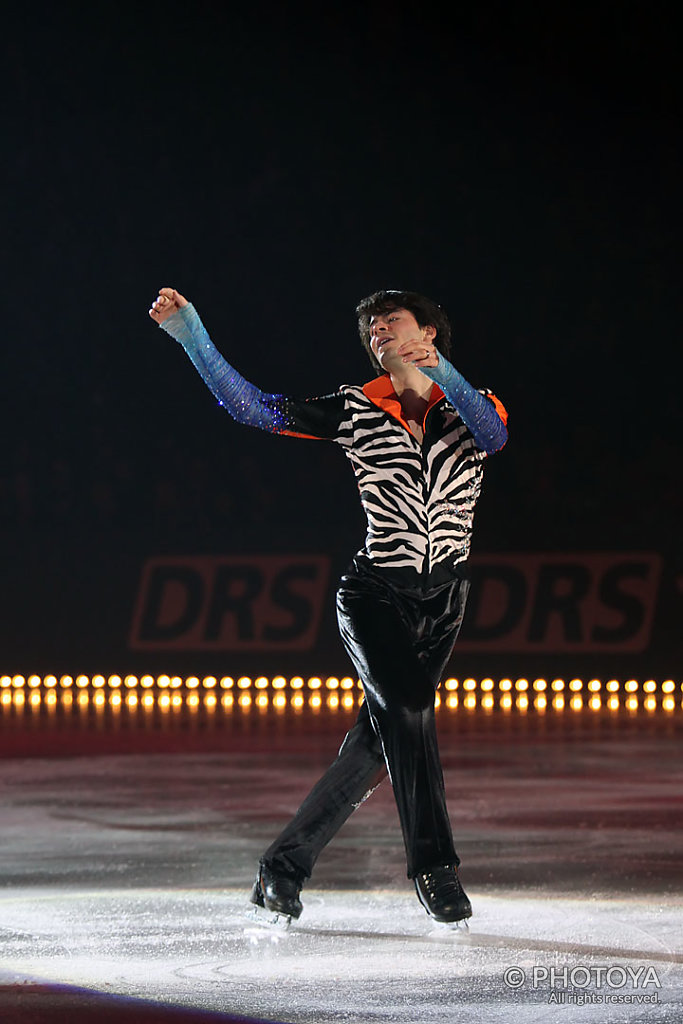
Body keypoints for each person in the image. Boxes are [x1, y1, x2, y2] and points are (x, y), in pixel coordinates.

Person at [149, 285, 508, 925]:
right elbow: (254, 408)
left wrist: (440, 371)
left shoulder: (471, 407)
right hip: (374, 595)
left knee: (377, 746)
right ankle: (436, 868)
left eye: (390, 321)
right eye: (370, 327)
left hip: (444, 602)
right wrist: (194, 339)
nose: (376, 332)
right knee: (413, 706)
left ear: (426, 330)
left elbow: (494, 437)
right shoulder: (352, 409)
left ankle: (281, 869)